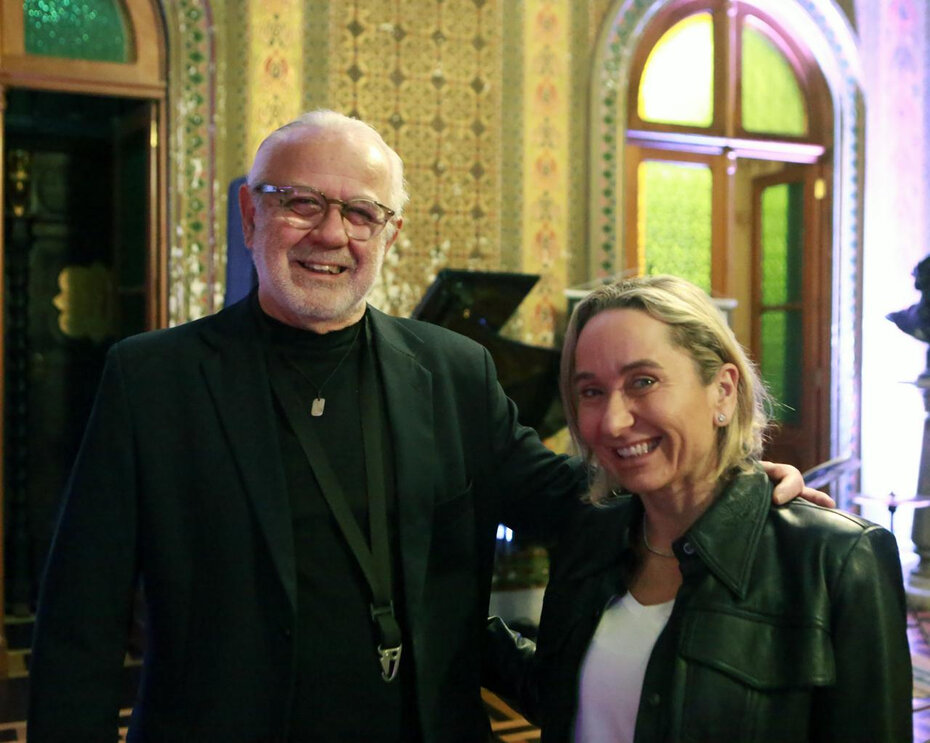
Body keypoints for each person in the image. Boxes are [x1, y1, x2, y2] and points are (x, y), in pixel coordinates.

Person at [28, 111, 820, 742]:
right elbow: (81, 617)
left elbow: (569, 500)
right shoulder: (153, 378)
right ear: (251, 212)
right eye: (302, 202)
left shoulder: (452, 371)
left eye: (362, 213)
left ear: (391, 234)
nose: (332, 234)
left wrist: (725, 487)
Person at [484, 274, 912, 742]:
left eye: (643, 381)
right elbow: (562, 697)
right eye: (591, 392)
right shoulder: (591, 536)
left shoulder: (836, 560)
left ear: (724, 391)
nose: (613, 420)